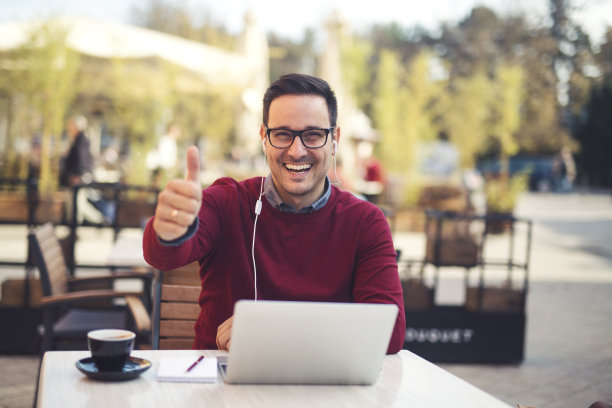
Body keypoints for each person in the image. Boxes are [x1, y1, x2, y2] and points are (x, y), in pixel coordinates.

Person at [143, 73, 405, 354]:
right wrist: (169, 232)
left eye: (313, 135)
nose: (297, 150)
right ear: (264, 138)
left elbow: (389, 333)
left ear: (334, 139)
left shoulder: (365, 222)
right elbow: (162, 256)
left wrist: (267, 330)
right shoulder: (226, 203)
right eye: (282, 134)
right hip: (222, 391)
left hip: (324, 391)